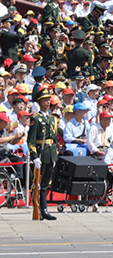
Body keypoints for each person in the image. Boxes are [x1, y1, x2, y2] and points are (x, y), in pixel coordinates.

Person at [28, 86, 59, 221]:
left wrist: (55, 152)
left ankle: (44, 209)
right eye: (44, 100)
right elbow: (31, 140)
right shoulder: (36, 118)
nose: (47, 102)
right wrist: (34, 157)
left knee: (46, 183)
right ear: (39, 102)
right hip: (41, 153)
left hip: (50, 153)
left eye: (48, 99)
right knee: (37, 184)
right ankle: (38, 209)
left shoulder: (52, 119)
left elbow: (55, 138)